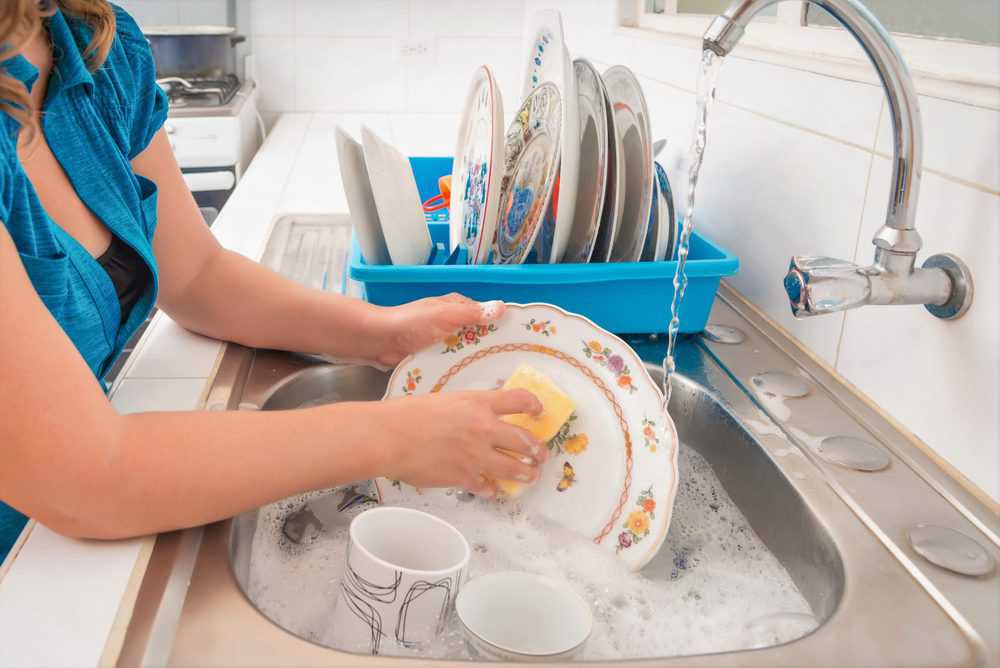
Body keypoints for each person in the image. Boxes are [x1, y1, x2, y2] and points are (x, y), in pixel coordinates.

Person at [0, 1, 545, 563]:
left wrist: (379, 332)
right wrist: (395, 437)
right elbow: (88, 479)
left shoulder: (93, 44)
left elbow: (196, 276)